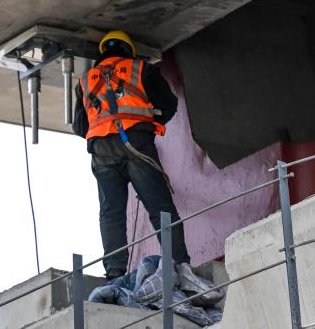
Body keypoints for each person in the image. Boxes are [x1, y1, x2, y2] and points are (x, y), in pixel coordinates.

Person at [73, 30, 220, 301]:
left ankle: (114, 273)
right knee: (160, 208)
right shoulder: (141, 69)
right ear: (129, 50)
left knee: (111, 213)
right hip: (136, 144)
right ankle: (179, 264)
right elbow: (168, 105)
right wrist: (148, 124)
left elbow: (80, 126)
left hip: (102, 153)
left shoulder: (85, 81)